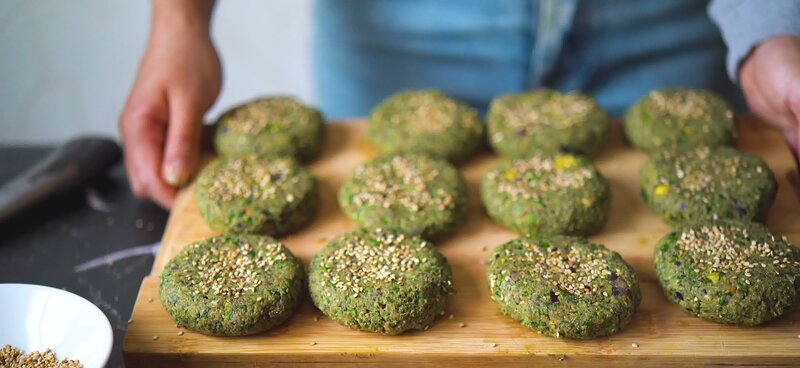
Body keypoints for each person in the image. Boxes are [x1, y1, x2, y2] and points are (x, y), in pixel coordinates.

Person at [119, 0, 800, 209]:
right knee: (375, 183)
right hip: (400, 39)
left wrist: (769, 27)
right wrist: (179, 22)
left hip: (667, 36)